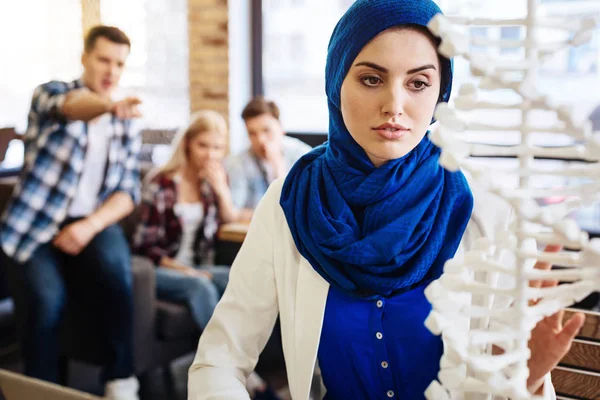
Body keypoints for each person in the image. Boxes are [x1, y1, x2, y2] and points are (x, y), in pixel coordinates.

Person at [188, 1, 585, 399]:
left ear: (440, 92)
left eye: (418, 83)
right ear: (335, 81)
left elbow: (510, 385)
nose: (395, 106)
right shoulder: (291, 202)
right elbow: (219, 360)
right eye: (372, 79)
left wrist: (528, 381)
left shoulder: (493, 213)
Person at [0, 26, 142, 400]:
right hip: (33, 224)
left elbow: (127, 192)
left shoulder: (125, 121)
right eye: (103, 60)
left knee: (117, 273)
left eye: (119, 64)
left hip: (89, 220)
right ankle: (40, 391)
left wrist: (88, 227)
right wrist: (110, 105)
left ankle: (121, 380)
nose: (111, 71)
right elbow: (72, 108)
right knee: (48, 302)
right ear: (85, 57)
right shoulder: (51, 94)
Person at [132, 110, 234, 331]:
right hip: (160, 268)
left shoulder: (212, 182)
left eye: (217, 148)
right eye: (203, 145)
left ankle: (250, 356)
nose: (210, 155)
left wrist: (222, 191)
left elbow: (228, 219)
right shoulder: (161, 183)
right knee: (200, 286)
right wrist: (187, 271)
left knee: (235, 278)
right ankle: (218, 361)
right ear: (187, 144)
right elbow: (145, 248)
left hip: (197, 264)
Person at [225, 97, 312, 220]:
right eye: (252, 133)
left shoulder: (303, 155)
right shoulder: (237, 162)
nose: (260, 139)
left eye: (266, 130)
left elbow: (306, 206)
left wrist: (278, 167)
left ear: (281, 127)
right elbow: (234, 211)